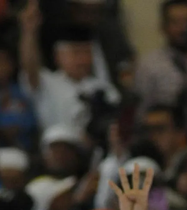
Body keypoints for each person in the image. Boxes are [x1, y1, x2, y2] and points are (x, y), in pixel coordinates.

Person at [19, 0, 119, 134]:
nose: (83, 60)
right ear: (58, 56)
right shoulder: (48, 83)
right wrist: (29, 31)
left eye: (87, 53)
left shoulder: (103, 88)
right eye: (76, 53)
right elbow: (30, 68)